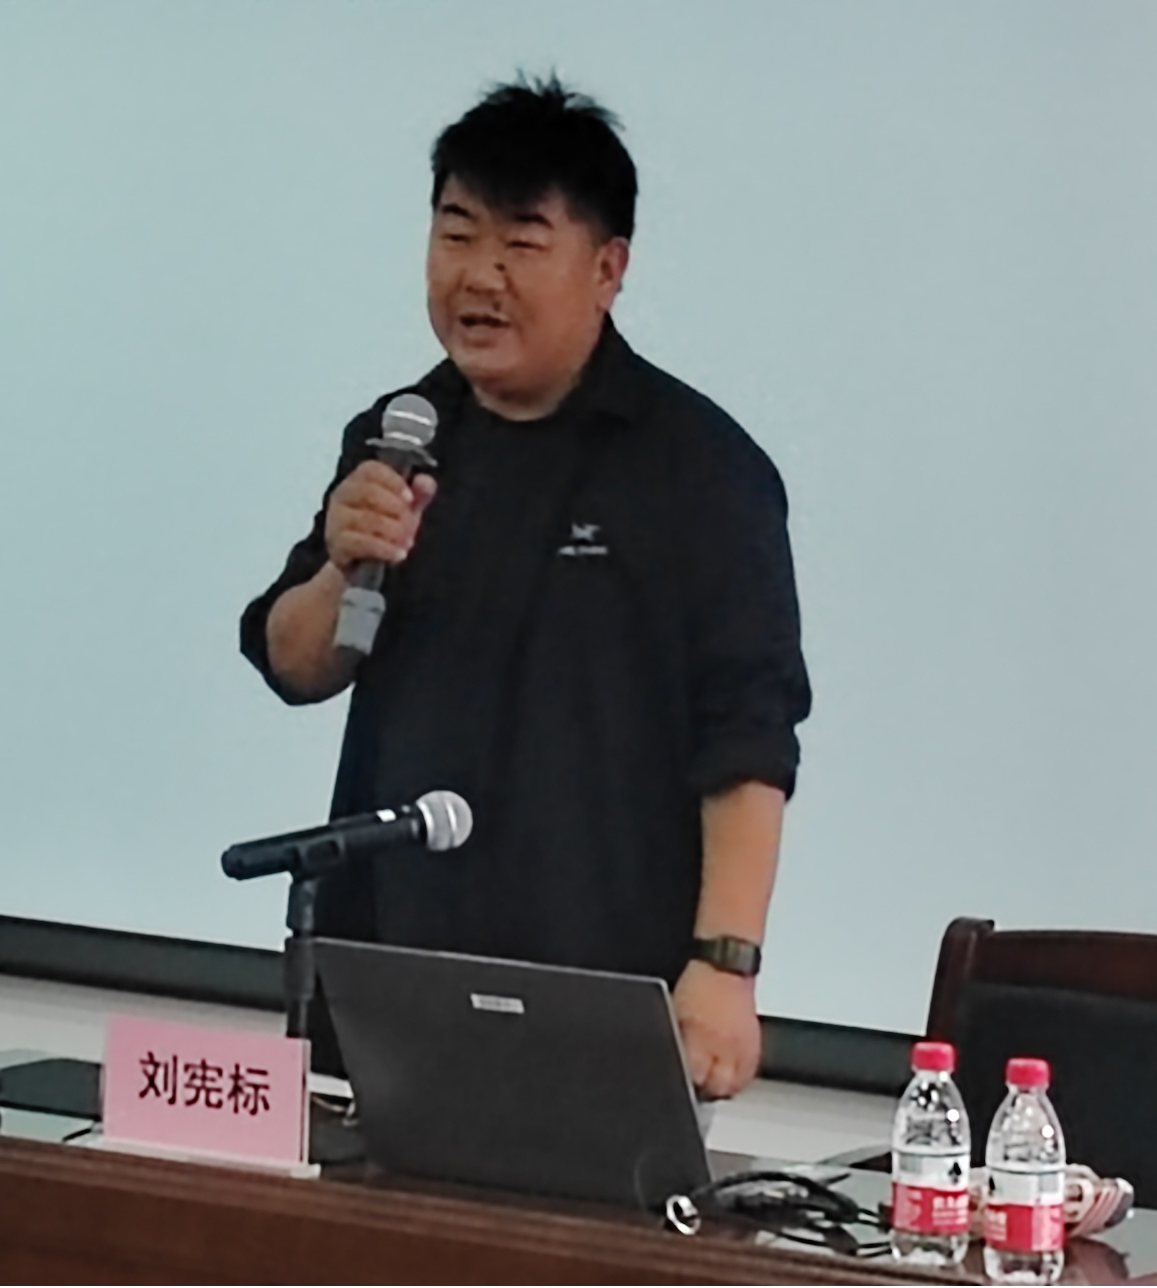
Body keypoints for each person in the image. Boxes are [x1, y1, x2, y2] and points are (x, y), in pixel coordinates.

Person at [240, 77, 808, 1097]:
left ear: (607, 267)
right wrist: (340, 562)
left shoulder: (698, 471)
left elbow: (748, 739)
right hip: (392, 970)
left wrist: (725, 966)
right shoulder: (399, 438)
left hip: (603, 985)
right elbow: (296, 662)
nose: (478, 275)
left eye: (520, 243)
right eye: (455, 234)